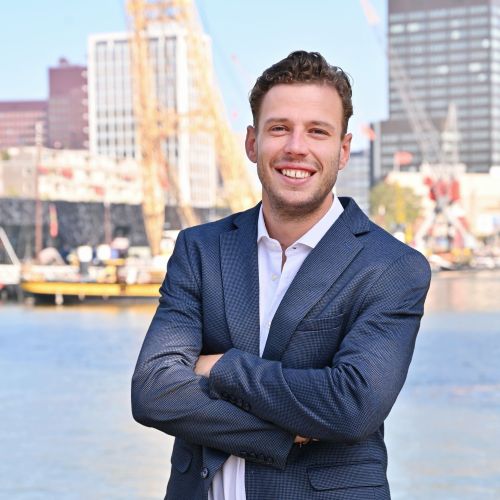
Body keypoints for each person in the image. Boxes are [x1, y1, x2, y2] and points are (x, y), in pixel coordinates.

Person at [132, 50, 431, 500]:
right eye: (279, 128)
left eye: (317, 131)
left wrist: (221, 367)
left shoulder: (390, 267)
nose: (296, 147)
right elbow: (154, 391)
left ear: (343, 150)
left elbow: (352, 405)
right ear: (252, 143)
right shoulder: (200, 249)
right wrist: (281, 434)